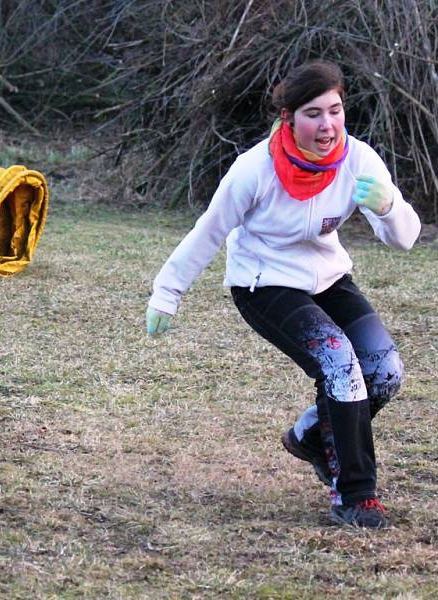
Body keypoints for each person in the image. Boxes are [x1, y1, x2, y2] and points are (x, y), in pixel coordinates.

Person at [145, 60, 421, 528]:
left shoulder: (358, 160)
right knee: (337, 360)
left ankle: (312, 437)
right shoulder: (255, 168)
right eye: (313, 113)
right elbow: (208, 232)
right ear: (289, 118)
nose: (327, 124)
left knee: (385, 370)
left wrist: (390, 205)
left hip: (329, 277)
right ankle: (354, 494)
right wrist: (166, 294)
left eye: (335, 110)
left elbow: (405, 239)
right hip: (264, 282)